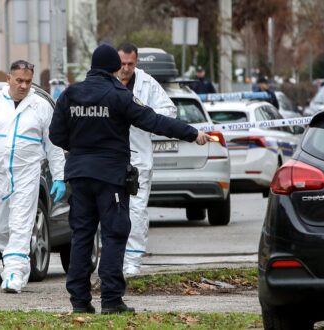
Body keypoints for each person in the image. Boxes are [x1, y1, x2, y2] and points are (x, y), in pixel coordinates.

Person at [49, 44, 211, 314]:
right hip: (110, 177)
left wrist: (79, 149)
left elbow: (56, 135)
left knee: (81, 237)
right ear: (114, 68)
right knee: (114, 234)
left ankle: (79, 302)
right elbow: (154, 121)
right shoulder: (119, 94)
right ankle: (111, 300)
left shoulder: (70, 94)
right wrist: (191, 133)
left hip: (78, 176)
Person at [0, 60, 66, 293]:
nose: (24, 85)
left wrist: (59, 176)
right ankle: (14, 262)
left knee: (21, 223)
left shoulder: (40, 106)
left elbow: (54, 144)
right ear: (8, 79)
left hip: (27, 172)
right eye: (19, 80)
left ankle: (14, 275)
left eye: (28, 81)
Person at [116, 43, 176, 275]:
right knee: (112, 210)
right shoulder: (107, 80)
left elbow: (169, 111)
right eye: (122, 64)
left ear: (136, 62)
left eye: (131, 64)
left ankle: (133, 259)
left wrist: (143, 116)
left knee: (136, 210)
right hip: (111, 157)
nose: (126, 68)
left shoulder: (147, 83)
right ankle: (115, 257)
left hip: (138, 157)